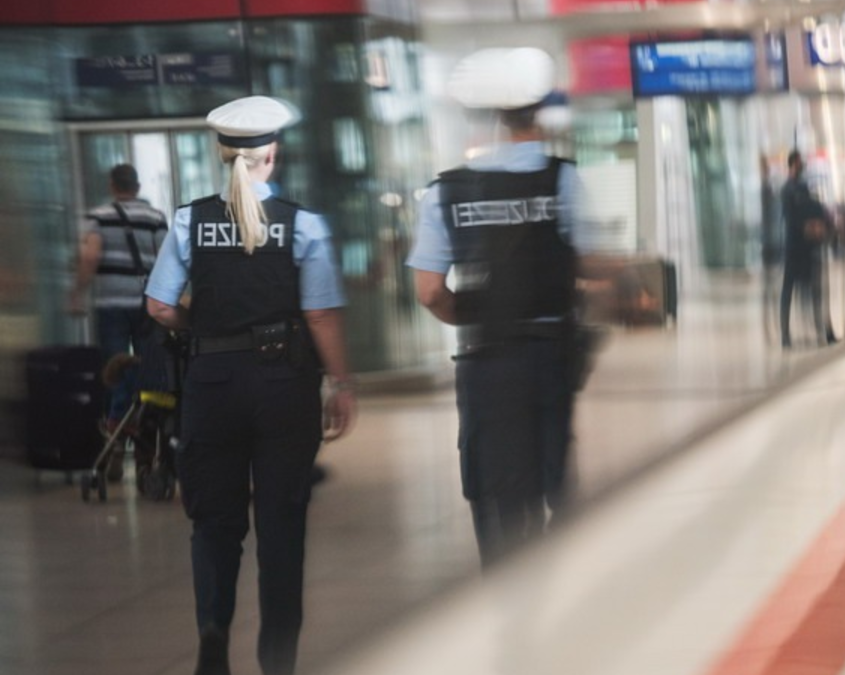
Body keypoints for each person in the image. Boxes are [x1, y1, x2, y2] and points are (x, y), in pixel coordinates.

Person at [144, 95, 356, 675]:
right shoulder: (303, 223)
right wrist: (342, 381)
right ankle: (277, 659)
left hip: (212, 384)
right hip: (284, 384)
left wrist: (204, 329)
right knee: (282, 522)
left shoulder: (190, 220)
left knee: (214, 521)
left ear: (222, 154)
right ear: (273, 154)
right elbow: (320, 316)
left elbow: (160, 306)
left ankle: (214, 633)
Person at [408, 47, 590, 568]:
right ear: (537, 113)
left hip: (486, 362)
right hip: (550, 355)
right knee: (552, 476)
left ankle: (507, 598)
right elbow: (592, 261)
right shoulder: (563, 180)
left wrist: (476, 315)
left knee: (495, 493)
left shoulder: (445, 192)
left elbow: (429, 292)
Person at [69, 164, 168, 445]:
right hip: (148, 304)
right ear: (137, 187)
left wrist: (77, 293)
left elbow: (90, 257)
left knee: (115, 366)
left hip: (110, 303)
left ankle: (116, 425)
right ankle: (144, 430)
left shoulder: (98, 217)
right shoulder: (155, 217)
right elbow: (165, 259)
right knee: (147, 364)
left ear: (112, 186)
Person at [780, 150, 834, 348]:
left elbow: (812, 208)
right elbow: (793, 218)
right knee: (789, 292)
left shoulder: (801, 188)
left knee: (814, 293)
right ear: (793, 163)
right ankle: (785, 334)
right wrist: (809, 226)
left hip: (805, 248)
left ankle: (823, 331)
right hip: (794, 248)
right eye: (799, 162)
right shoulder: (787, 190)